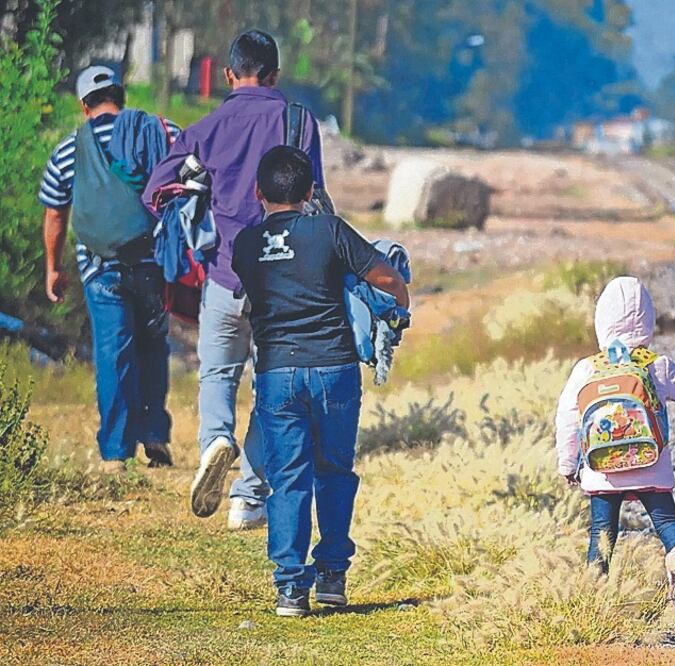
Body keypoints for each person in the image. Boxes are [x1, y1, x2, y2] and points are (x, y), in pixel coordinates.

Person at [144, 30, 325, 530]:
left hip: (225, 276)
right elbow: (318, 200)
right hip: (284, 286)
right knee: (272, 388)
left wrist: (198, 186)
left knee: (218, 374)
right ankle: (247, 496)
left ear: (229, 75)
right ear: (275, 74)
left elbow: (156, 190)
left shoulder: (206, 127)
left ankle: (214, 442)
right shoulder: (298, 122)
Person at [232, 146, 409, 617]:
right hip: (334, 370)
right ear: (311, 191)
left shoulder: (245, 244)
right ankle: (331, 575)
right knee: (334, 472)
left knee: (287, 479)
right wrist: (400, 308)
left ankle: (291, 588)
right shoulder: (329, 231)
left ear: (258, 193)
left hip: (277, 374)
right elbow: (386, 277)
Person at [555, 276, 675, 609]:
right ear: (648, 322)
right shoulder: (656, 366)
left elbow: (566, 417)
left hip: (603, 472)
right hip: (650, 466)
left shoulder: (586, 369)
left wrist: (568, 465)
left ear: (601, 321)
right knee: (666, 522)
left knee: (602, 532)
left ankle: (594, 593)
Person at [39, 65, 177, 473]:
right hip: (153, 262)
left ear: (84, 106)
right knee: (153, 346)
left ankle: (116, 452)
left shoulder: (68, 149)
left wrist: (52, 268)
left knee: (113, 354)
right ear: (122, 96)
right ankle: (153, 434)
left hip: (100, 267)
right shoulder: (157, 131)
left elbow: (55, 215)